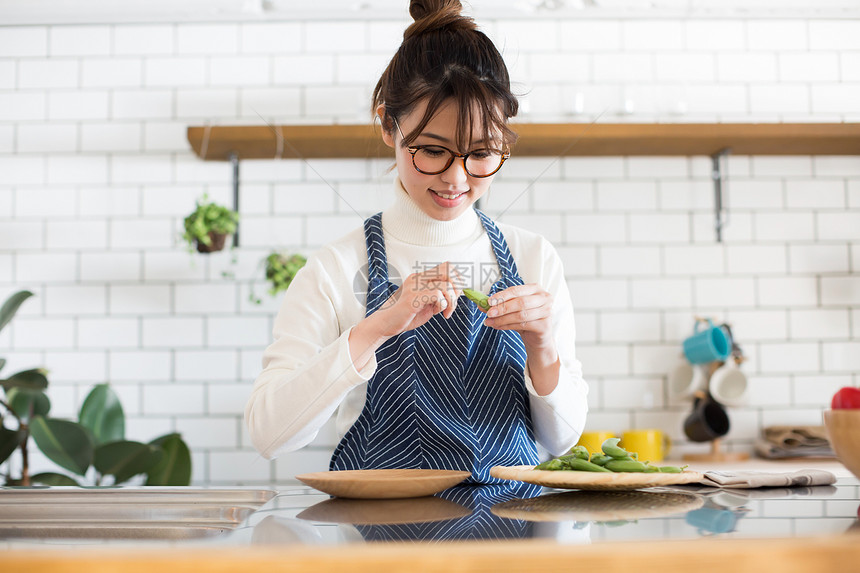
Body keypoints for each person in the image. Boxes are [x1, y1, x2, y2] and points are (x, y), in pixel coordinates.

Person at [245, 0, 588, 484]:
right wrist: (375, 329)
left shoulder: (533, 257)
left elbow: (562, 440)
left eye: (482, 153)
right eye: (432, 150)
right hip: (379, 545)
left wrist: (544, 348)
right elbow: (268, 434)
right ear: (389, 125)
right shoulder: (338, 268)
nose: (456, 178)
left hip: (513, 543)